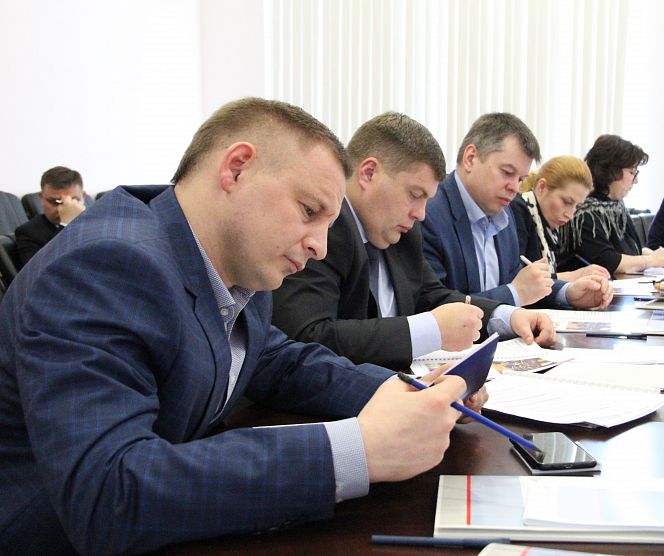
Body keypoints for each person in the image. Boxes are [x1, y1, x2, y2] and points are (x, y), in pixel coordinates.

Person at [0, 98, 484, 555]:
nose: (319, 246)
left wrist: (411, 395)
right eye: (309, 211)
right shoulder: (106, 265)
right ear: (236, 168)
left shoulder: (231, 262)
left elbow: (278, 360)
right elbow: (107, 493)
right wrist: (356, 450)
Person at [272, 112, 555, 370]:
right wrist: (430, 330)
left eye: (426, 200)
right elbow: (310, 336)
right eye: (415, 195)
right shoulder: (325, 230)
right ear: (369, 173)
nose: (420, 214)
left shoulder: (401, 232)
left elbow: (432, 296)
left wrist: (505, 317)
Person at [422, 113, 612, 310]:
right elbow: (435, 304)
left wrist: (568, 293)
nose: (514, 188)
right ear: (470, 158)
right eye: (507, 172)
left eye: (520, 179)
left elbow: (519, 281)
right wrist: (514, 293)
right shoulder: (428, 213)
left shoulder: (504, 213)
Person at [556, 134, 664, 275]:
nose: (635, 181)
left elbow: (631, 250)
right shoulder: (584, 212)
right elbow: (609, 261)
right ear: (612, 171)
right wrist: (652, 260)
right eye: (632, 172)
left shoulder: (616, 205)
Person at [510, 155, 611, 285]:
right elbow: (518, 280)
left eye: (577, 206)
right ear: (542, 187)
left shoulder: (549, 228)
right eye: (567, 202)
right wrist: (575, 275)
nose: (570, 214)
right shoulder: (518, 211)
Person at [15, 166, 86, 266]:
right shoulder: (28, 233)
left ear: (83, 196)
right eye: (55, 202)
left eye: (73, 200)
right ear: (41, 197)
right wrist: (66, 225)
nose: (63, 209)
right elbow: (40, 271)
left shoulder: (97, 223)